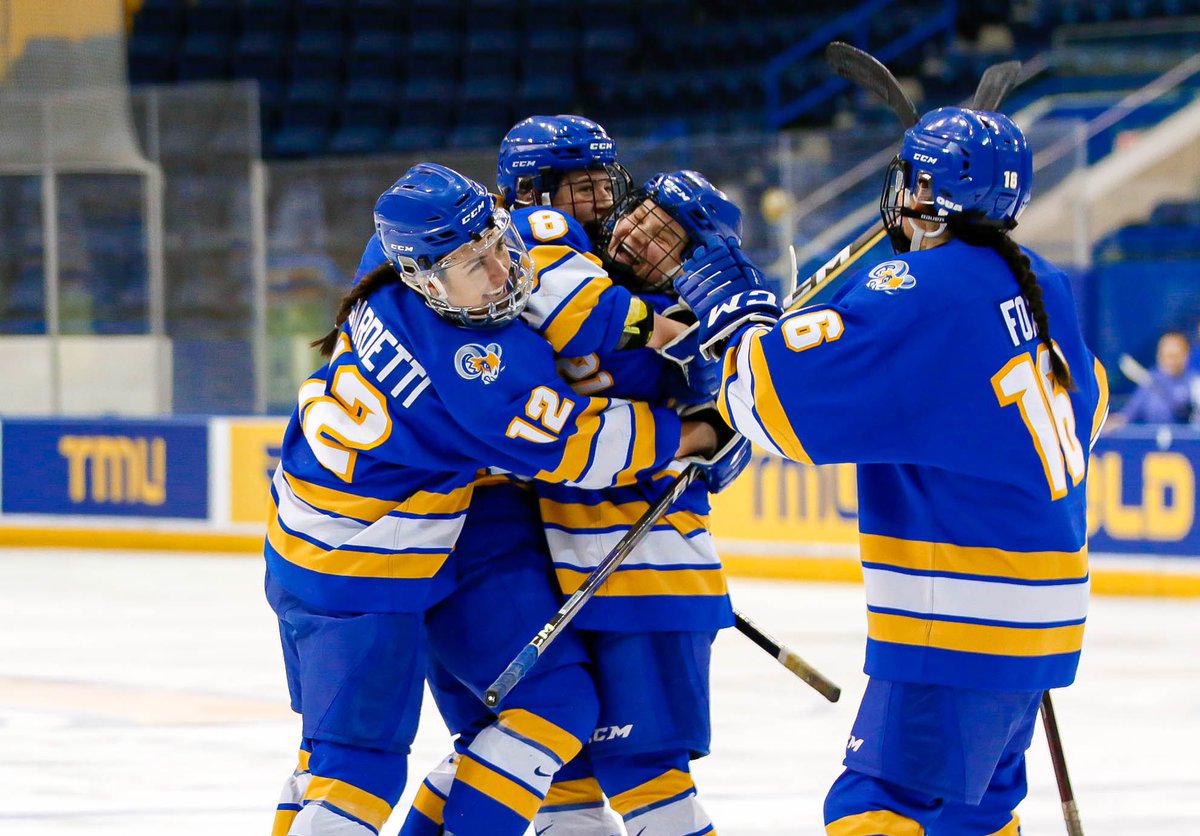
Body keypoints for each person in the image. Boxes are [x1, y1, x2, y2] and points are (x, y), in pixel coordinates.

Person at [673, 107, 1110, 834]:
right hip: (1044, 613)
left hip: (961, 620)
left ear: (923, 194)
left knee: (876, 808)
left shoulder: (921, 290)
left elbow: (773, 406)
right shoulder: (1042, 282)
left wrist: (736, 310)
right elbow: (1083, 414)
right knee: (972, 812)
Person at [265, 162, 726, 836]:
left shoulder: (388, 260)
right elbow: (580, 448)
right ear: (424, 278)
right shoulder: (475, 369)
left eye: (495, 248)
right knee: (355, 771)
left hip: (313, 542)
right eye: (471, 266)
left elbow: (541, 279)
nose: (500, 275)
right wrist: (698, 430)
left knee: (327, 756)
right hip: (362, 570)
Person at [400, 118, 745, 836]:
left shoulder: (684, 323)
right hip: (551, 569)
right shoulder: (514, 271)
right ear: (529, 194)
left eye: (666, 238)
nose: (623, 226)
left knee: (646, 778)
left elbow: (735, 444)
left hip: (643, 574)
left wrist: (719, 414)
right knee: (563, 779)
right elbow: (571, 313)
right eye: (580, 187)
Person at [1108, 330, 1197, 427]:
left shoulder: (1195, 382)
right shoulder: (1149, 380)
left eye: (1174, 356)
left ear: (1186, 355)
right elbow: (1128, 414)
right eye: (1166, 355)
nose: (1171, 361)